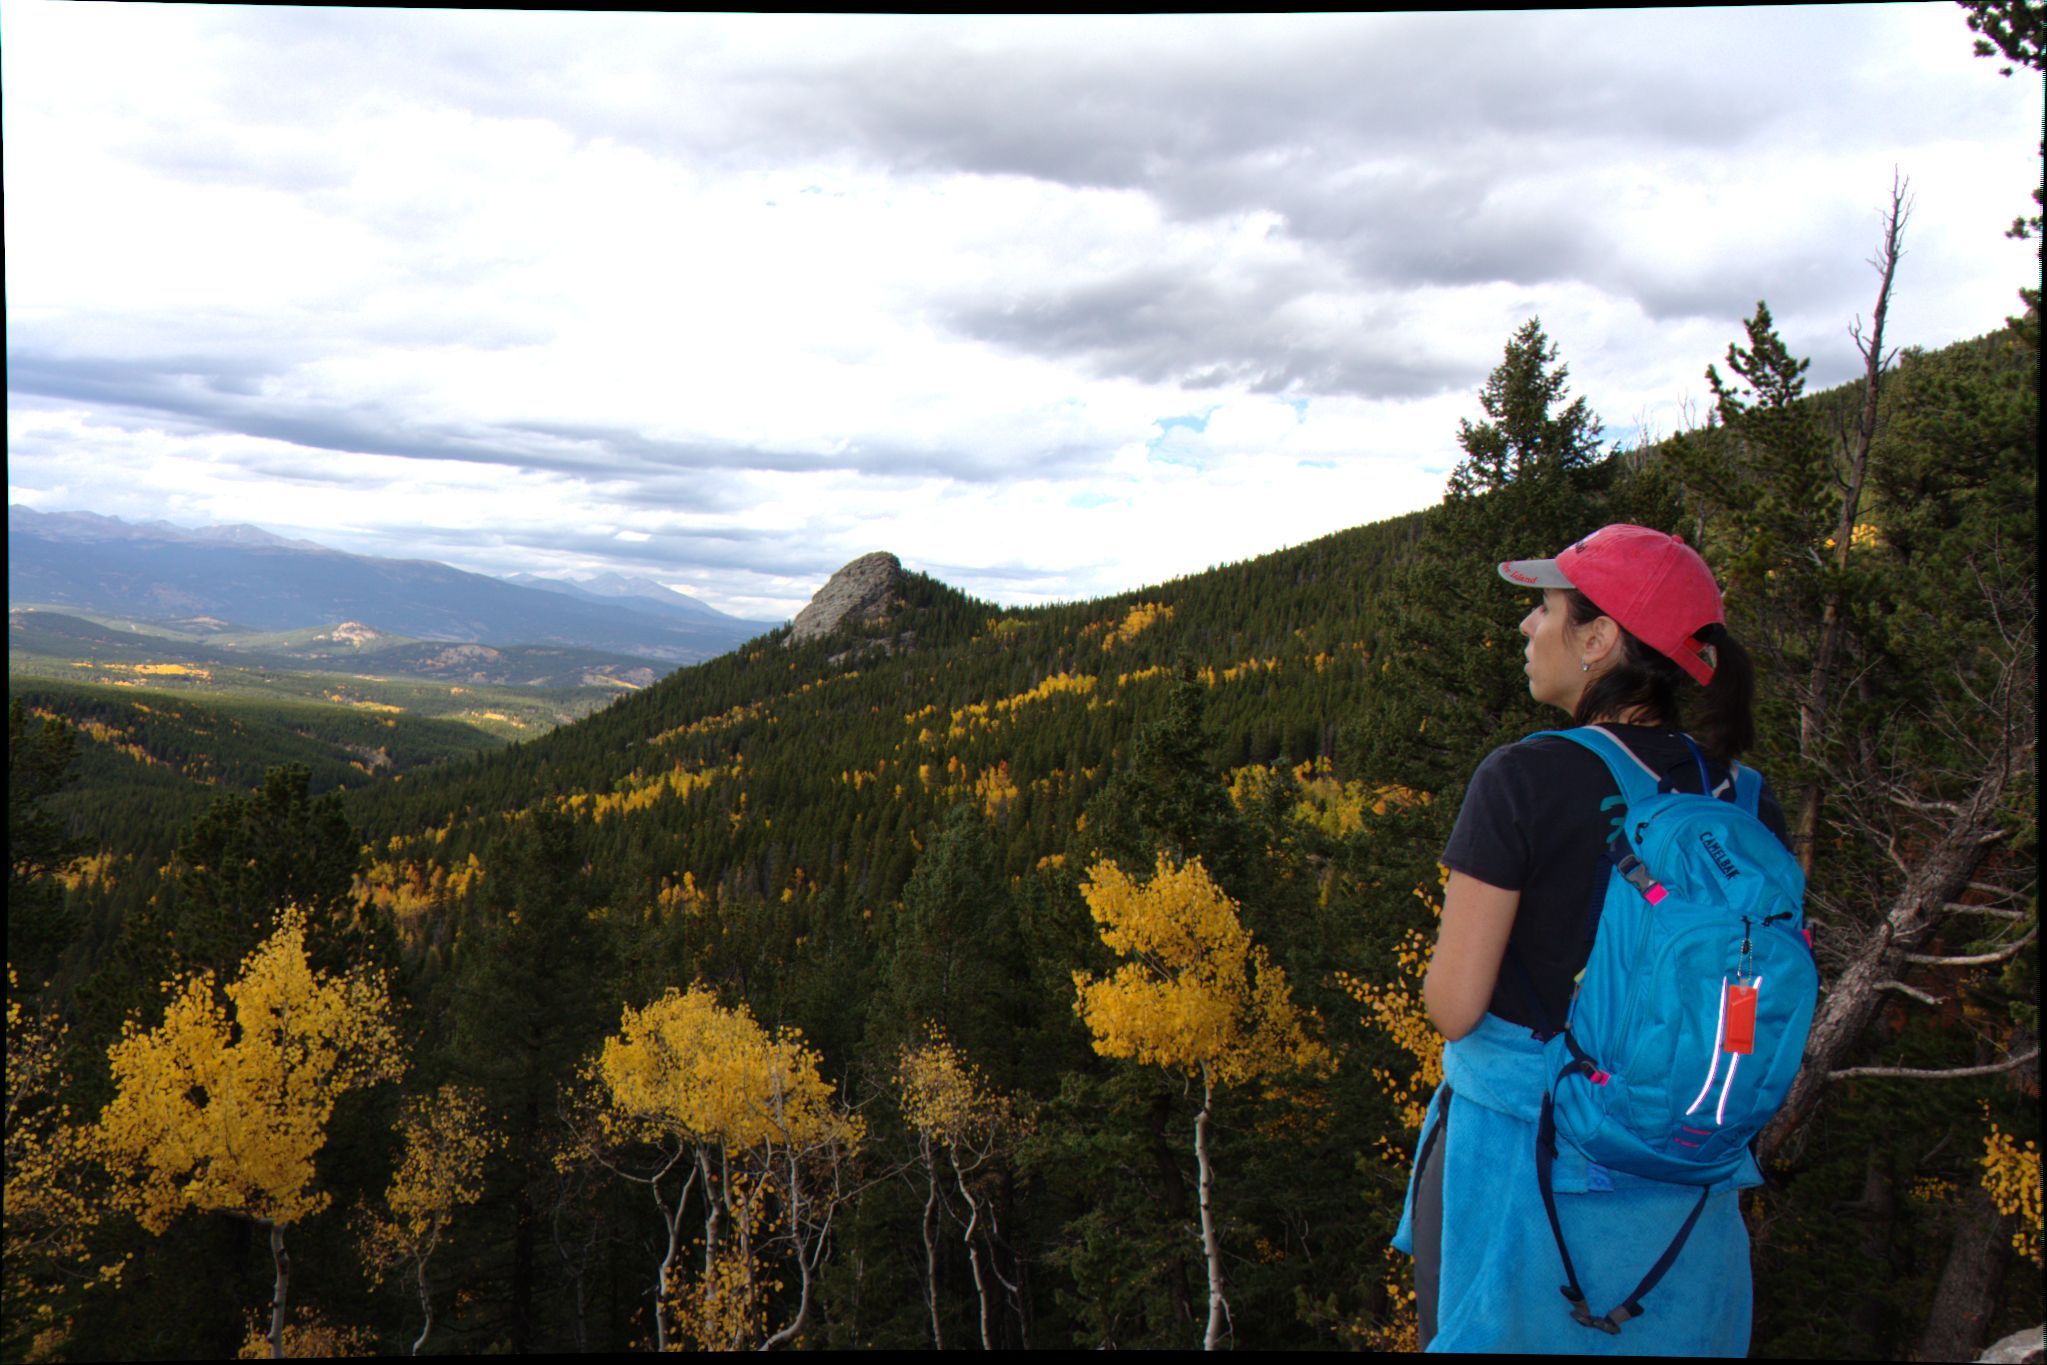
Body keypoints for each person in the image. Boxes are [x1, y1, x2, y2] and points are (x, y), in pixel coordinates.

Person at [1391, 523, 1788, 1355]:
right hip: (1686, 1178)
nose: (1526, 627)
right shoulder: (1746, 801)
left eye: (1545, 609)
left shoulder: (1522, 776)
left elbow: (1454, 1006)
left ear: (1600, 638)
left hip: (1523, 1165)